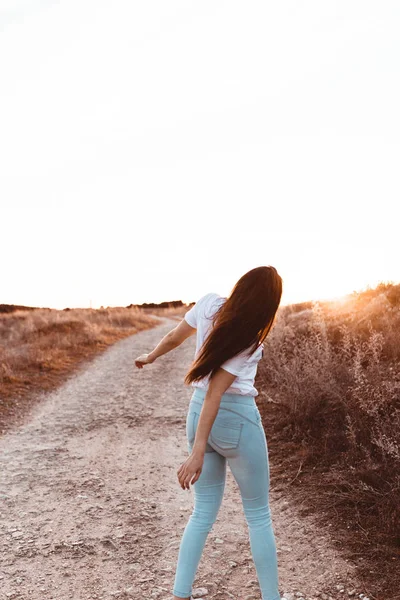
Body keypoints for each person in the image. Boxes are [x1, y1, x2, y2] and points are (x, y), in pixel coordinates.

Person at [134, 266, 283, 600]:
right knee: (258, 515)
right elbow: (218, 391)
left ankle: (180, 593)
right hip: (237, 420)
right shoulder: (250, 337)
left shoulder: (208, 303)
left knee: (201, 512)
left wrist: (151, 356)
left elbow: (175, 337)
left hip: (198, 411)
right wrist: (197, 452)